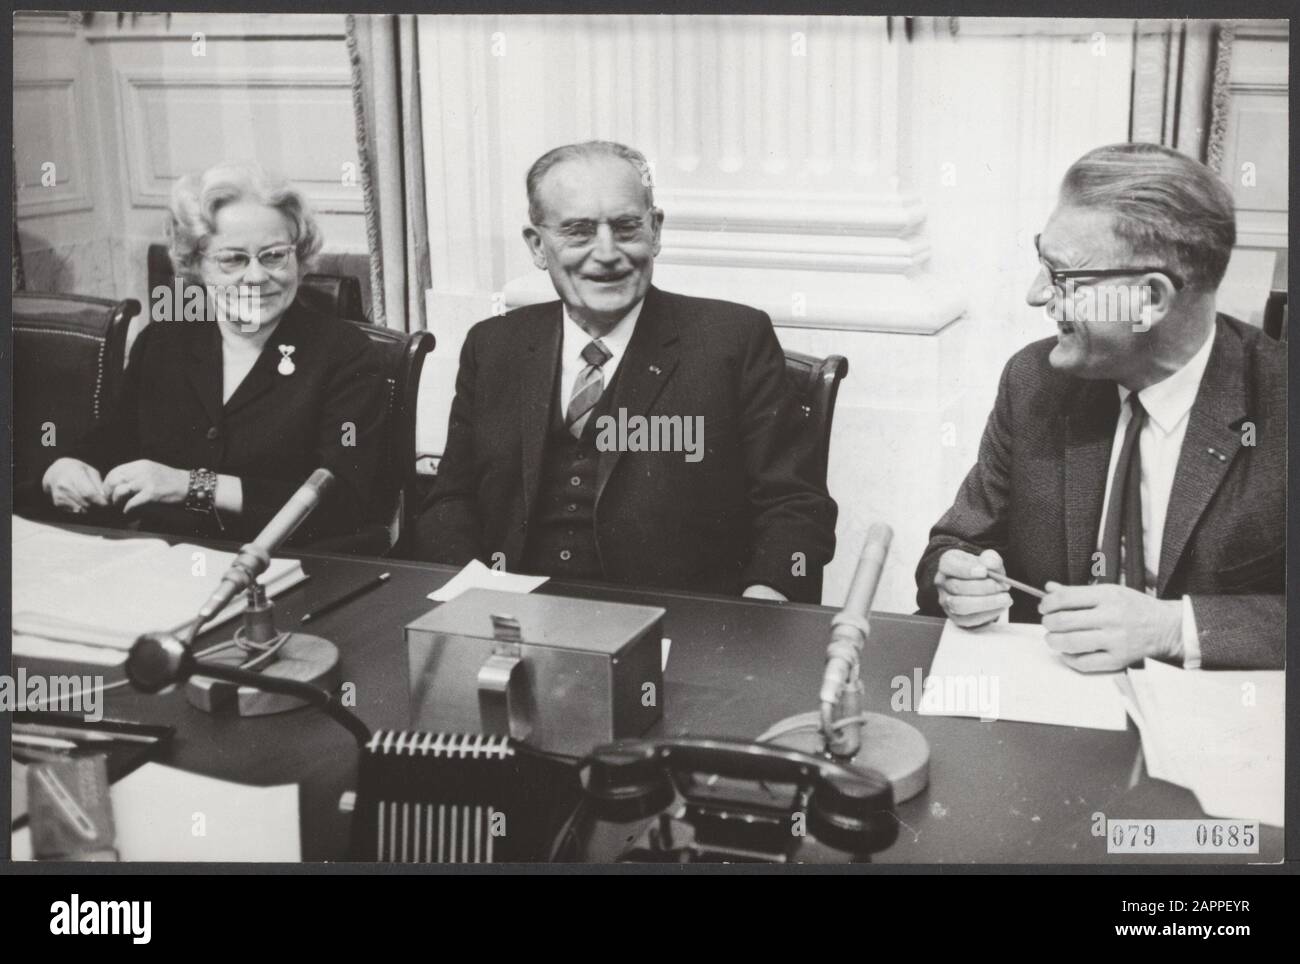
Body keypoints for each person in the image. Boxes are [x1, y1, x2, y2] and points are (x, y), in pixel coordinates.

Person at [414, 140, 836, 602]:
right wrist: (466, 598)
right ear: (537, 245)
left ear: (655, 231)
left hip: (677, 629)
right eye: (578, 232)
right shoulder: (494, 345)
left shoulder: (734, 340)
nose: (607, 253)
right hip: (513, 620)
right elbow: (451, 499)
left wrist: (757, 609)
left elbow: (794, 507)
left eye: (626, 227)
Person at [916, 142, 1283, 671]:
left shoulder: (1278, 404)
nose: (1037, 295)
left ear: (1151, 299)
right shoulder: (1034, 381)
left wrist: (1173, 628)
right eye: (1042, 262)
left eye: (1064, 277)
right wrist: (955, 578)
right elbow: (956, 542)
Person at [42, 161, 387, 545]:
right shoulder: (163, 342)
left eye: (274, 255)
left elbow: (342, 501)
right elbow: (110, 442)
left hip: (288, 570)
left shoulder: (346, 356)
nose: (256, 277)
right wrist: (66, 467)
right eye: (233, 259)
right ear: (196, 264)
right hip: (158, 564)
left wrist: (192, 486)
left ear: (299, 257)